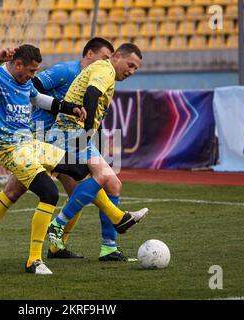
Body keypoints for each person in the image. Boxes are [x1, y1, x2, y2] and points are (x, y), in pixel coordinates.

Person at [0, 44, 148, 274]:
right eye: (31, 71)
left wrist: (68, 107)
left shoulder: (26, 83)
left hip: (33, 144)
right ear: (17, 65)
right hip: (12, 148)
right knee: (48, 193)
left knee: (81, 172)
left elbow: (39, 98)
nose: (34, 76)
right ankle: (34, 260)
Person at [47, 43, 147, 253]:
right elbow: (91, 95)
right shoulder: (105, 69)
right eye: (130, 65)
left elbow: (94, 106)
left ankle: (108, 248)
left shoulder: (105, 70)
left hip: (73, 133)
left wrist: (95, 137)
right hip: (69, 132)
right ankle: (58, 223)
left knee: (113, 185)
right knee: (102, 175)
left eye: (136, 69)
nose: (131, 71)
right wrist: (88, 133)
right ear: (117, 56)